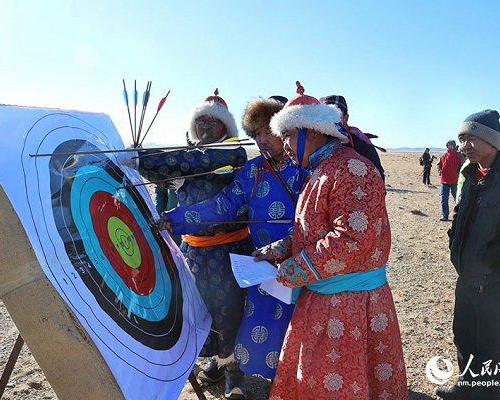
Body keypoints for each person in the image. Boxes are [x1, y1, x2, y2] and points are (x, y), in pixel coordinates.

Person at [254, 82, 408, 399]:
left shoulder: (351, 169)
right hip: (326, 298)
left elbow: (352, 239)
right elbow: (315, 227)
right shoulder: (322, 169)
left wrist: (292, 269)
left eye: (285, 136)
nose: (282, 144)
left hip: (348, 306)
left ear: (310, 131)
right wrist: (280, 249)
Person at [119, 89, 254, 399]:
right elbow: (171, 175)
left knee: (230, 310)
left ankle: (235, 374)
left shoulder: (231, 153)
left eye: (212, 122)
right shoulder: (191, 154)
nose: (205, 127)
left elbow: (195, 162)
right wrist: (143, 163)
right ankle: (216, 364)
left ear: (225, 128)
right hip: (194, 250)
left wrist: (144, 158)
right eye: (200, 121)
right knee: (200, 310)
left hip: (227, 250)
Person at [158, 96, 297, 397]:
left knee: (297, 328)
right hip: (262, 265)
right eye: (256, 134)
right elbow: (222, 205)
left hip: (299, 262)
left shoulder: (304, 169)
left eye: (268, 132)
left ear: (284, 130)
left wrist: (286, 247)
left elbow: (317, 221)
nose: (262, 140)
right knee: (264, 329)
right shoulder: (253, 171)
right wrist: (175, 219)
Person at [435, 110, 500, 400]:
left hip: (496, 282)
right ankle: (465, 389)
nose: (464, 145)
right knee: (464, 338)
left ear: (491, 141)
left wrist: (485, 259)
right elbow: (461, 212)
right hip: (466, 277)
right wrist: (454, 239)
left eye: (471, 137)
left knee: (492, 350)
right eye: (461, 139)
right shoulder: (470, 172)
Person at [320, 94, 386, 181]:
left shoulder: (361, 144)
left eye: (336, 114)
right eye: (326, 114)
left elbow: (378, 178)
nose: (330, 119)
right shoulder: (313, 139)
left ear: (345, 118)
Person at [437, 139, 463, 221]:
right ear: (447, 146)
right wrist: (440, 171)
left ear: (455, 146)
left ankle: (460, 215)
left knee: (457, 199)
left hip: (455, 182)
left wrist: (460, 175)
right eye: (449, 145)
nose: (451, 147)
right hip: (444, 181)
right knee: (444, 199)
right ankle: (444, 215)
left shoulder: (459, 156)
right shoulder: (443, 156)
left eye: (452, 145)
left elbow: (464, 167)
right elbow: (439, 165)